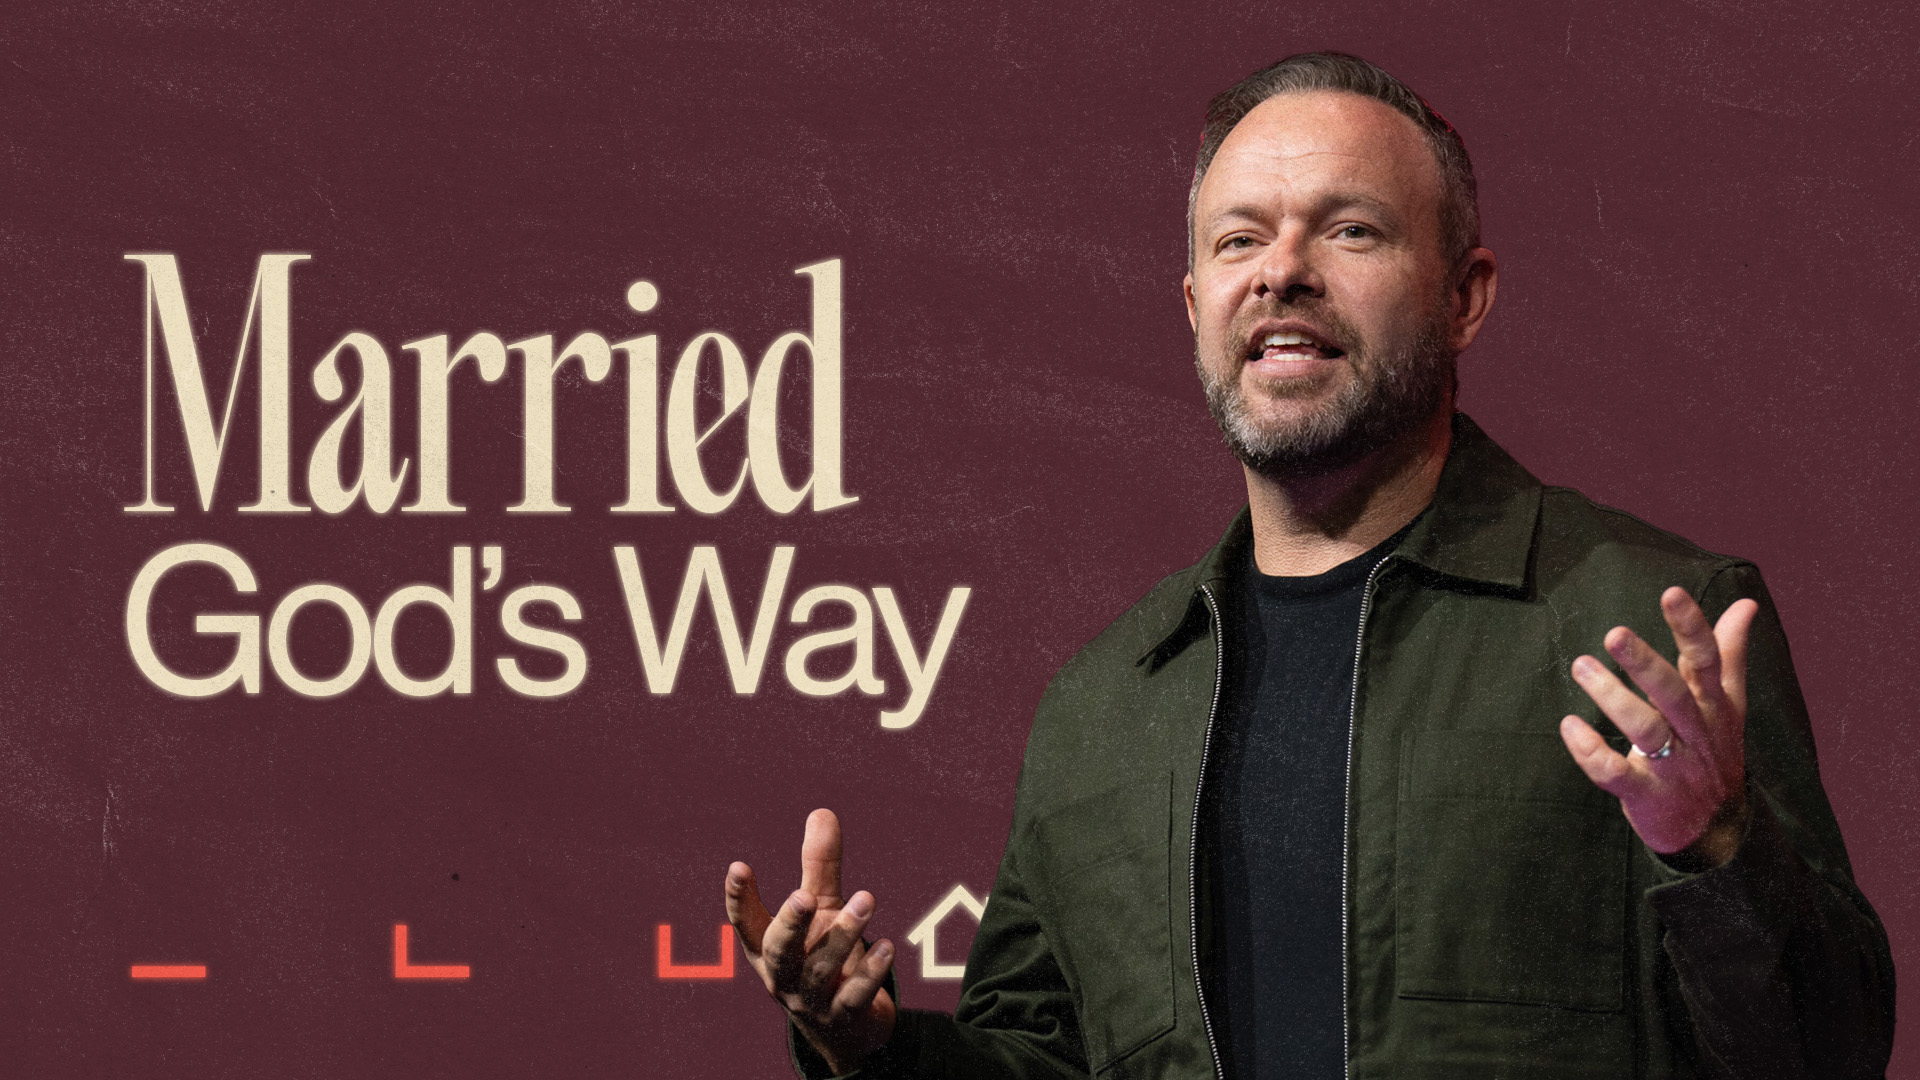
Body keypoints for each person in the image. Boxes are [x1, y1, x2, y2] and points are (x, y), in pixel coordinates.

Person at [721, 52, 1896, 1078]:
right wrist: (868, 1049)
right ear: (1197, 307)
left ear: (1465, 297)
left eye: (1350, 230)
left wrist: (1716, 850)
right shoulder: (1106, 704)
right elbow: (1037, 1058)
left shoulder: (1643, 631)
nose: (1281, 271)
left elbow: (1829, 1052)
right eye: (1240, 239)